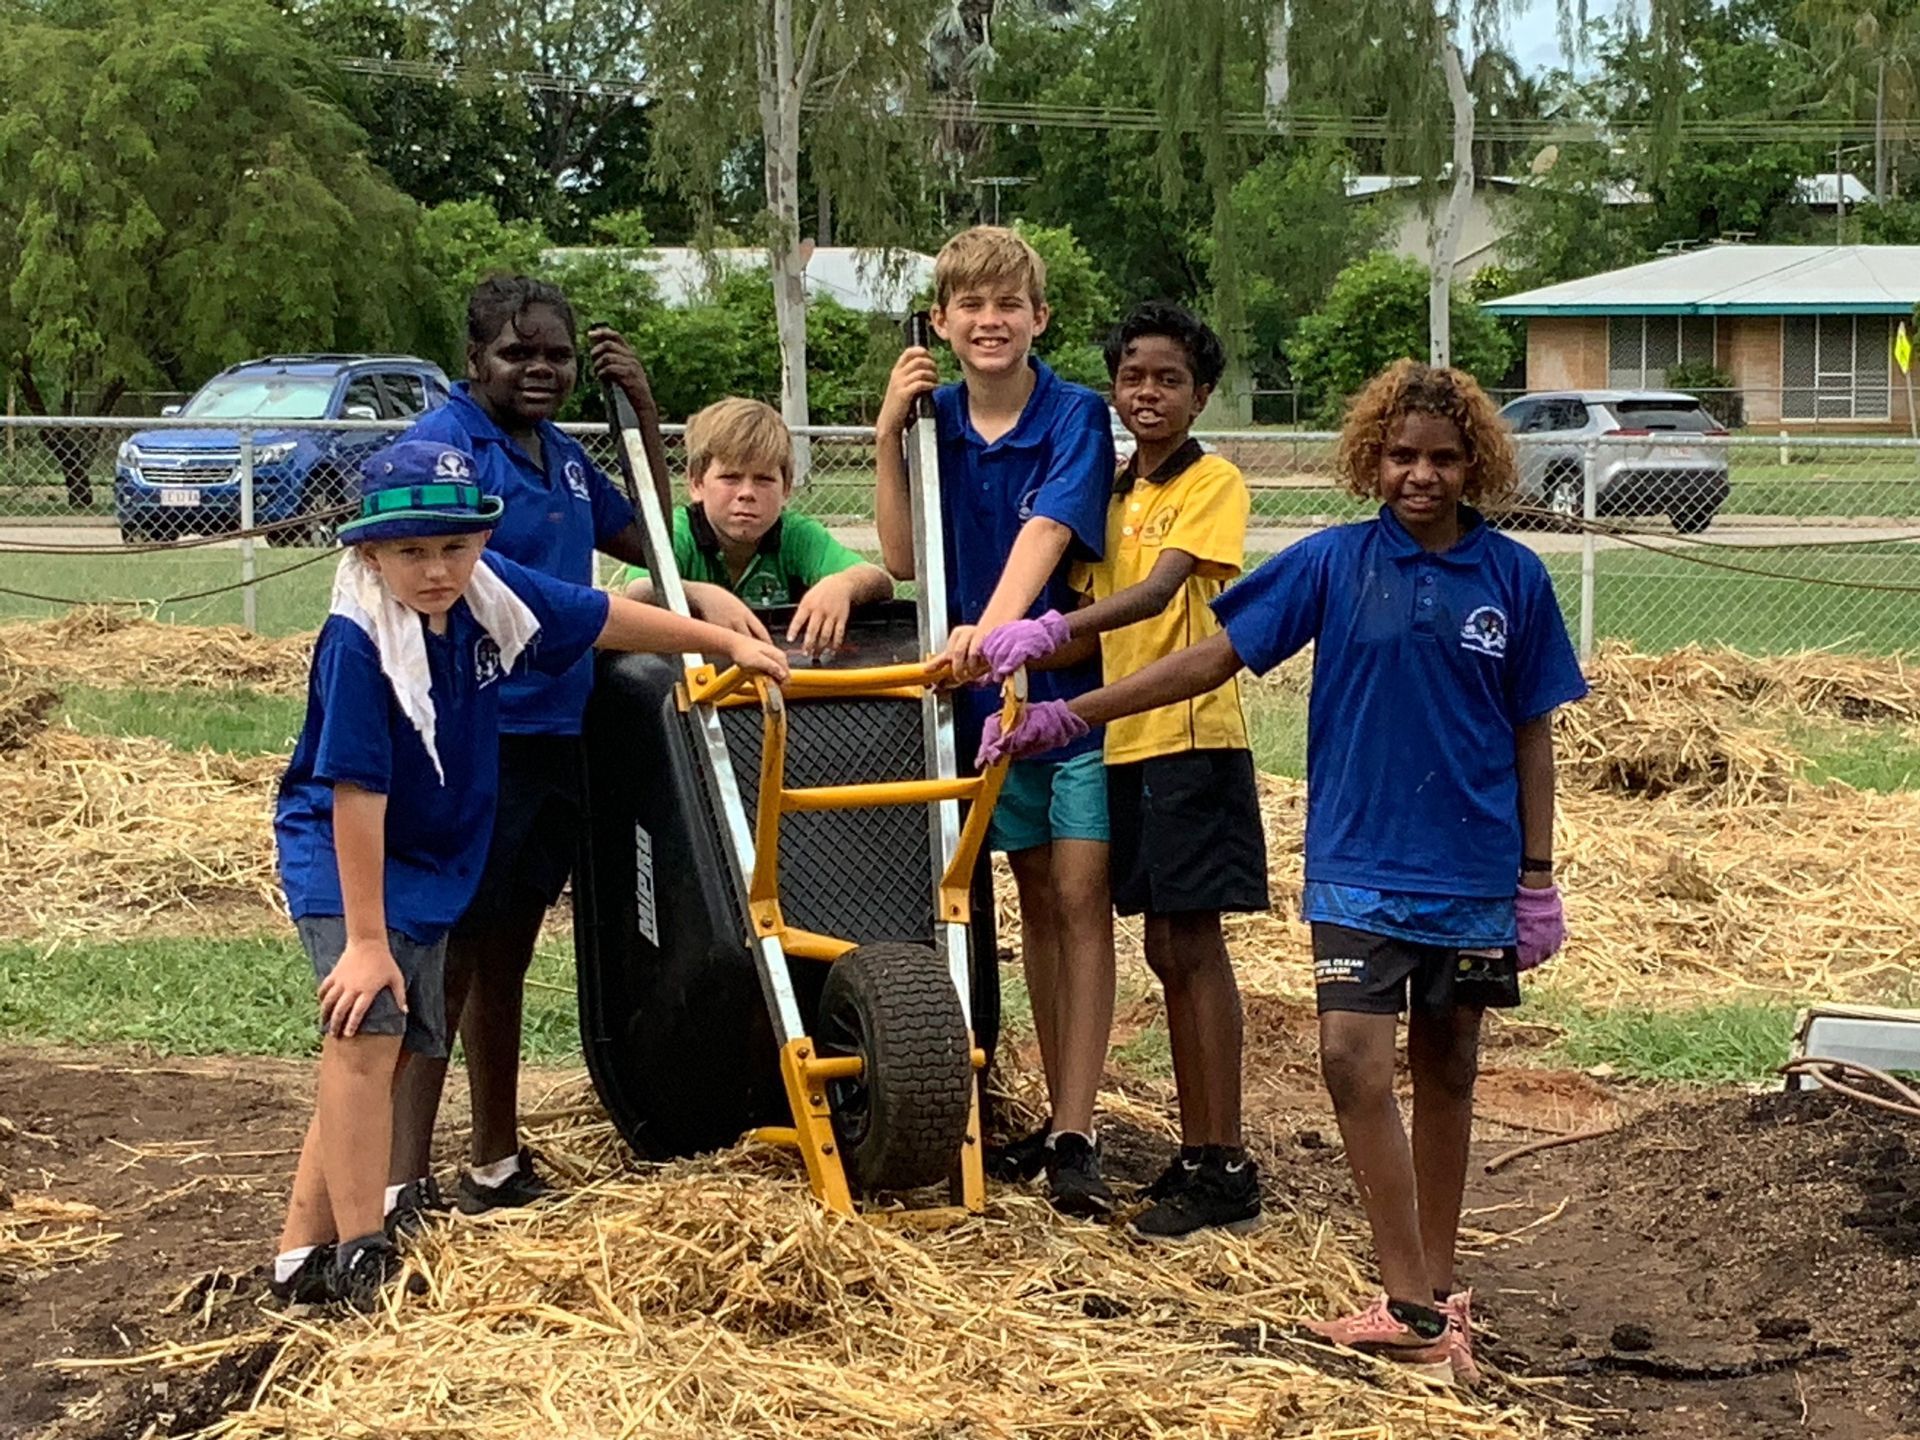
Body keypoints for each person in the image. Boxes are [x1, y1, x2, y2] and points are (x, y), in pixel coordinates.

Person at [980, 360, 1585, 1381]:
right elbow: (1210, 658)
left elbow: (1533, 734)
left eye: (1441, 458)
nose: (1421, 476)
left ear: (1473, 460)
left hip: (1475, 875)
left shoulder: (1514, 579)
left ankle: (1439, 1296)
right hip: (1357, 865)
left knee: (1448, 1064)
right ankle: (1404, 1297)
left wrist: (1536, 877)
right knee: (1351, 1058)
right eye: (1401, 456)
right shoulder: (1331, 565)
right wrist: (1069, 711)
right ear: (1371, 459)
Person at [270, 441, 786, 1310]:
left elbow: (599, 618)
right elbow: (356, 792)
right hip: (352, 856)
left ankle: (298, 1254)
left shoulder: (488, 591)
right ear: (368, 552)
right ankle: (361, 1252)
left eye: (453, 546)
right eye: (410, 551)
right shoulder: (361, 643)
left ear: (480, 541)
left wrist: (715, 640)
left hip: (431, 850)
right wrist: (363, 940)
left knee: (383, 1047)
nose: (435, 570)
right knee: (366, 1030)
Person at [385, 277, 693, 1227]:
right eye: (519, 354)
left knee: (507, 953)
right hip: (470, 733)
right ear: (473, 359)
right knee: (448, 958)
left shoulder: (559, 457)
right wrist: (608, 614)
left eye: (557, 355)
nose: (541, 371)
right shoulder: (441, 449)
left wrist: (641, 418)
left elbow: (656, 538)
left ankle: (492, 1160)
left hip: (555, 731)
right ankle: (398, 1182)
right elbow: (477, 574)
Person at [977, 302, 1266, 1239]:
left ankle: (1221, 1159)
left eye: (1170, 380)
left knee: (1192, 946)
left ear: (1202, 394)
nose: (1149, 394)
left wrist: (1053, 629)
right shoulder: (1114, 493)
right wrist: (1014, 682)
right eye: (1133, 378)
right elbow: (1101, 609)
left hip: (1194, 737)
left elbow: (1158, 590)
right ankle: (1196, 1152)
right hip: (1132, 740)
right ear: (1114, 388)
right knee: (1164, 948)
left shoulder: (1211, 481)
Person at [873, 225, 1119, 1217]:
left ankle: (1077, 1127)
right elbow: (901, 556)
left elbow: (1048, 532)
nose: (990, 321)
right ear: (941, 321)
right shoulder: (931, 417)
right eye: (970, 306)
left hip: (1070, 699)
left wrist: (995, 628)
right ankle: (1040, 1119)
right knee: (1025, 903)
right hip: (981, 709)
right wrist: (887, 432)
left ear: (1038, 318)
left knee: (1078, 897)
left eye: (1008, 304)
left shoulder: (1074, 416)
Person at [609, 396, 893, 656]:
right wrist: (700, 595)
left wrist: (842, 584)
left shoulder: (796, 534)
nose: (746, 492)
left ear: (786, 489)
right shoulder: (678, 530)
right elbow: (639, 589)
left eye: (764, 479)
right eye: (730, 478)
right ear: (696, 483)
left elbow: (876, 579)